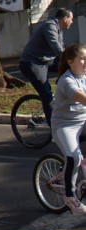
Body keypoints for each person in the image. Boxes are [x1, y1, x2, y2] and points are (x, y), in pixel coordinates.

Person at [19, 8, 74, 126]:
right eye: (71, 19)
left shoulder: (59, 29)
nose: (72, 22)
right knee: (46, 94)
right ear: (65, 18)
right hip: (32, 64)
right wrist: (71, 59)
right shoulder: (50, 26)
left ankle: (63, 96)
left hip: (46, 62)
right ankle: (54, 128)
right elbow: (56, 47)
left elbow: (62, 50)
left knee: (72, 70)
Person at [51, 44, 86, 215]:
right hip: (65, 125)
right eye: (82, 58)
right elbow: (81, 97)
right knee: (74, 157)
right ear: (71, 62)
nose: (85, 62)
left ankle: (67, 174)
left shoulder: (85, 75)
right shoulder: (66, 80)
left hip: (83, 121)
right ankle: (70, 196)